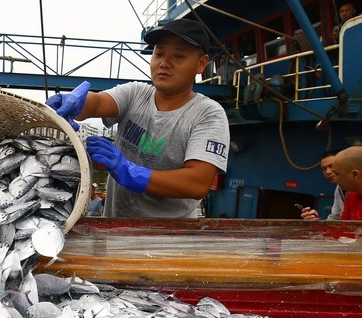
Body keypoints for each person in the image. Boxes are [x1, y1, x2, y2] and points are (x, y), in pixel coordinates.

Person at [46, 18, 229, 218]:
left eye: (178, 56)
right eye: (158, 54)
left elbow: (197, 183)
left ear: (201, 64)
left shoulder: (208, 114)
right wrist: (75, 102)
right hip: (115, 229)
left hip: (170, 238)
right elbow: (98, 103)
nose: (164, 63)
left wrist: (130, 172)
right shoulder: (136, 93)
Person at [301, 149, 346, 220]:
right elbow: (335, 218)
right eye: (324, 169)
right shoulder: (338, 189)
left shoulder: (359, 189)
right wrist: (316, 221)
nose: (328, 172)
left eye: (331, 166)